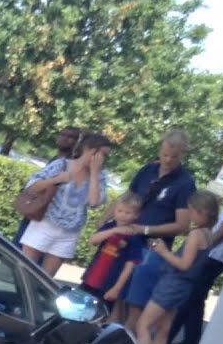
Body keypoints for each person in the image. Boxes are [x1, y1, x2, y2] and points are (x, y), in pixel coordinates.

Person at [108, 129, 197, 331]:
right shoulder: (147, 170)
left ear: (182, 154)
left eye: (173, 156)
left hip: (152, 248)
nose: (167, 160)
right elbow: (126, 196)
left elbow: (182, 226)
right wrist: (107, 220)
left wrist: (146, 229)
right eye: (164, 154)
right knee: (115, 295)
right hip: (127, 240)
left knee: (135, 304)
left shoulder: (185, 183)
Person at [167, 164, 223, 344]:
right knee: (196, 298)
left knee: (192, 296)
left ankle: (178, 338)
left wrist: (205, 246)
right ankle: (186, 340)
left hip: (216, 254)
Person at [134, 191, 220, 344]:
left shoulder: (196, 234)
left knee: (144, 324)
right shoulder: (208, 234)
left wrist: (163, 251)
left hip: (172, 284)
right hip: (184, 288)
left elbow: (184, 264)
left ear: (198, 211)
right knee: (163, 330)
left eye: (190, 210)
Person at [19, 132, 112, 276]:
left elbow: (94, 203)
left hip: (70, 232)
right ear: (91, 151)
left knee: (45, 279)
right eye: (103, 155)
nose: (104, 160)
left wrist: (94, 172)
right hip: (45, 223)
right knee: (25, 272)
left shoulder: (100, 177)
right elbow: (31, 187)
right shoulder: (62, 164)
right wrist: (55, 180)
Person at [79, 191, 146, 317]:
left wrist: (117, 288)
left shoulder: (135, 236)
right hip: (91, 278)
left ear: (136, 215)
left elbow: (130, 266)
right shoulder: (110, 227)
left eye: (128, 212)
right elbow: (93, 240)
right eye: (120, 211)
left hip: (109, 284)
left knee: (99, 316)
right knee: (79, 308)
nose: (122, 215)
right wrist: (114, 230)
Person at [12, 126, 81, 246]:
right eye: (63, 135)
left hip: (49, 214)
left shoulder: (71, 164)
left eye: (71, 137)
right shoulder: (56, 159)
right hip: (37, 206)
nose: (65, 139)